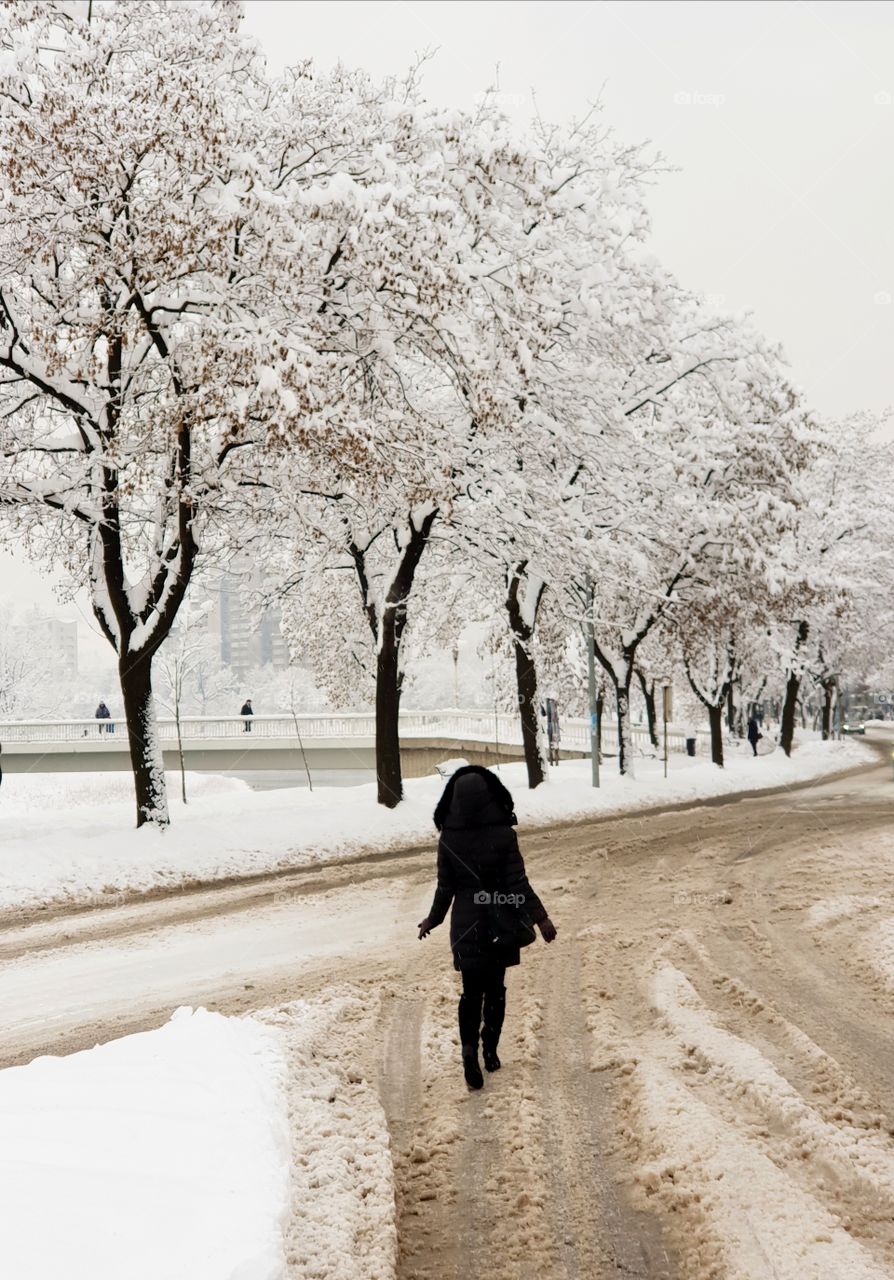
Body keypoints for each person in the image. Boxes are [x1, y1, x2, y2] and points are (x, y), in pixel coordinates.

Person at [417, 765, 557, 1090]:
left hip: (466, 925)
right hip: (501, 922)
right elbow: (518, 883)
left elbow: (445, 889)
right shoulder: (504, 834)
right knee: (495, 989)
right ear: (488, 797)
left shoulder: (448, 838)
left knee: (470, 992)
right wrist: (541, 918)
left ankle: (469, 1053)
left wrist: (432, 921)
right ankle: (490, 1050)